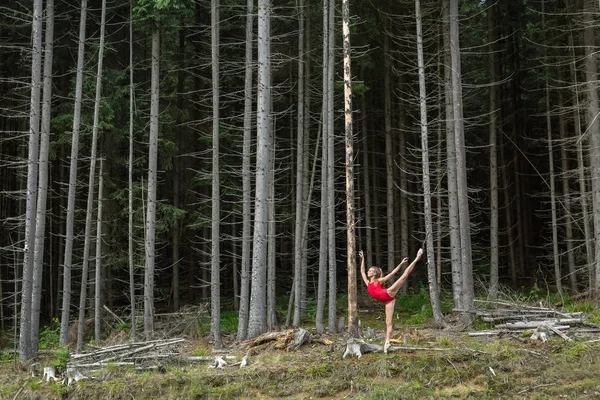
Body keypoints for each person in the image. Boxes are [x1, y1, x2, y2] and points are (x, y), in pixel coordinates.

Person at [359, 248, 423, 353]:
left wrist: (401, 263)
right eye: (368, 270)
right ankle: (387, 343)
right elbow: (362, 271)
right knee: (388, 322)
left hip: (388, 293)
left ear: (374, 274)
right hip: (388, 301)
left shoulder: (379, 280)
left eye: (370, 270)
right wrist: (363, 259)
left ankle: (417, 258)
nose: (368, 271)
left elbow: (393, 273)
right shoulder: (368, 283)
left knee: (403, 277)